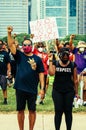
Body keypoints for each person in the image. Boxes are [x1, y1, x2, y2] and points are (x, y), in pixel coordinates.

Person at [7, 26, 45, 130]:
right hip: (20, 88)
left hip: (32, 89)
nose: (26, 46)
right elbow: (11, 45)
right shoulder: (19, 55)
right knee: (20, 110)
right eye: (24, 45)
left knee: (32, 110)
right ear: (22, 46)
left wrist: (42, 89)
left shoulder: (37, 59)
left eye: (28, 45)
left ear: (31, 46)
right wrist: (9, 33)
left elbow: (41, 73)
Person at [48, 47, 79, 130]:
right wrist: (50, 61)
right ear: (60, 55)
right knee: (58, 111)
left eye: (67, 56)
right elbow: (51, 73)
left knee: (68, 111)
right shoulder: (55, 63)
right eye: (63, 56)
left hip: (69, 91)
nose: (65, 57)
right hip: (57, 91)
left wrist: (76, 93)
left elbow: (75, 80)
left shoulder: (73, 65)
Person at [0, 40, 11, 104]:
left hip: (3, 73)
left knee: (4, 87)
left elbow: (8, 64)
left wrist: (9, 71)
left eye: (1, 44)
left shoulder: (5, 53)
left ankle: (5, 99)